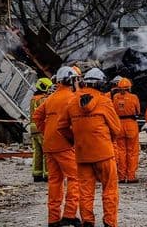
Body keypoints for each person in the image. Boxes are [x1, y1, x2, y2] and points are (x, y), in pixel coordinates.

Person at [57, 68, 121, 227]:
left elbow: (62, 126)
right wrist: (106, 139)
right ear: (100, 83)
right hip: (104, 154)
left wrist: (75, 141)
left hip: (82, 154)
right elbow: (116, 129)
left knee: (85, 192)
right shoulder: (105, 101)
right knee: (109, 190)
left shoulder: (72, 102)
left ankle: (87, 222)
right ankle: (109, 222)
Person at [32, 66, 81, 227]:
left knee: (55, 181)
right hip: (65, 145)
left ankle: (53, 219)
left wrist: (46, 131)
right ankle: (69, 214)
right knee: (75, 178)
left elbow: (37, 116)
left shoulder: (51, 98)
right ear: (71, 80)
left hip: (50, 144)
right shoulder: (72, 98)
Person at [113, 77, 140, 183]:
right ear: (129, 88)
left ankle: (121, 176)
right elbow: (138, 111)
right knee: (132, 151)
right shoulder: (134, 97)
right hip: (131, 124)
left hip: (118, 124)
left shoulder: (115, 97)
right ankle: (131, 176)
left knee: (120, 151)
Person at [30, 77, 53, 183]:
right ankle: (47, 174)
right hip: (41, 128)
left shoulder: (33, 99)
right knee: (46, 152)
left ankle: (37, 174)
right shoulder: (43, 99)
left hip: (33, 128)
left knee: (37, 152)